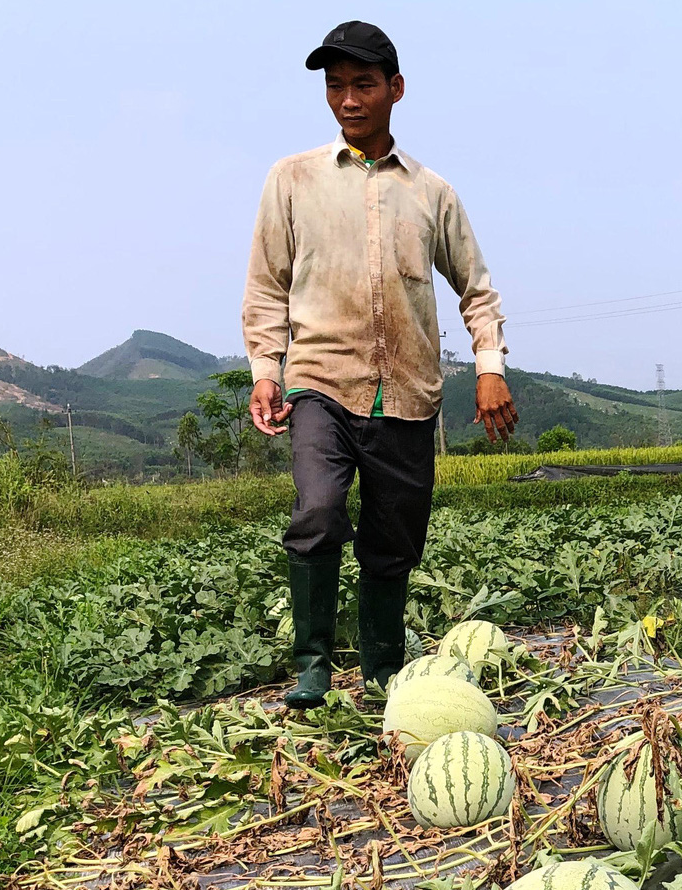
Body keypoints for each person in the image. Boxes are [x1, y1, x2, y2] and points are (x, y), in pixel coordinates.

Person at [244, 19, 518, 709]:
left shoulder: (432, 193)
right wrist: (266, 370)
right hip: (319, 385)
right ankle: (310, 665)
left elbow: (476, 288)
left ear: (395, 89)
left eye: (363, 84)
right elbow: (267, 285)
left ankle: (381, 671)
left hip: (406, 394)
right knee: (317, 509)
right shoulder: (292, 179)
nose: (348, 100)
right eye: (335, 87)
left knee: (392, 540)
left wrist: (490, 367)